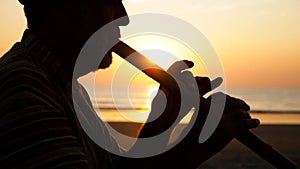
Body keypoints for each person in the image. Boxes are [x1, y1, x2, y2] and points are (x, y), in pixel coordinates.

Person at [0, 0, 260, 168]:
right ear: (63, 9)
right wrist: (195, 146)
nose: (123, 18)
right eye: (111, 1)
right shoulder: (23, 91)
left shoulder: (66, 87)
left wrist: (163, 116)